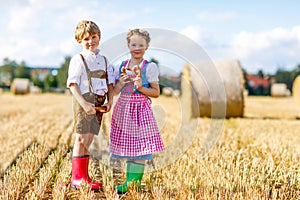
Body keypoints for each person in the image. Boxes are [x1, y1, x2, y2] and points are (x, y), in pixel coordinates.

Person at [110, 28, 164, 194]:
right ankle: (130, 182)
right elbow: (114, 92)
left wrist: (140, 87)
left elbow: (156, 93)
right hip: (124, 109)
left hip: (140, 110)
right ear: (128, 45)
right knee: (129, 148)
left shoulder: (149, 67)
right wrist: (121, 83)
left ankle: (132, 184)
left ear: (147, 46)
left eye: (141, 44)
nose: (137, 47)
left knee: (140, 149)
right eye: (134, 44)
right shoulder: (122, 66)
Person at [67, 20, 114, 190]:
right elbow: (72, 85)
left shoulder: (104, 60)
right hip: (84, 101)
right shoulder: (78, 59)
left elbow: (110, 83)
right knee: (80, 138)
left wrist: (110, 101)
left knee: (89, 139)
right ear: (79, 41)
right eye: (86, 38)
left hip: (100, 102)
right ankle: (76, 179)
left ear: (99, 37)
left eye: (93, 37)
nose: (90, 41)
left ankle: (84, 176)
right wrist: (84, 103)